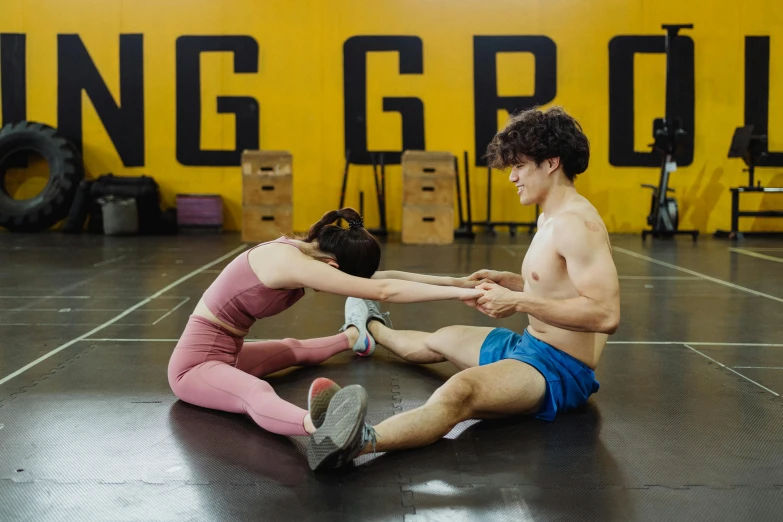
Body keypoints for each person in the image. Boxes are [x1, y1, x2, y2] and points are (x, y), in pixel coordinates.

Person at [307, 106, 621, 470]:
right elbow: (562, 289)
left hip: (560, 371)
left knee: (460, 392)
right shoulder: (549, 216)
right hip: (531, 346)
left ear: (551, 163)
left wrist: (518, 301)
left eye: (519, 166)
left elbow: (605, 314)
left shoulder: (577, 224)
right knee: (441, 338)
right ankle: (367, 329)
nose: (512, 177)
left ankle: (357, 442)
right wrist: (515, 284)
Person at [166, 208, 482, 447]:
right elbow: (384, 291)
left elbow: (384, 278)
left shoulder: (306, 250)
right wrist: (462, 296)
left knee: (292, 348)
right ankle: (322, 427)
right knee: (255, 391)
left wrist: (458, 282)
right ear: (333, 266)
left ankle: (354, 336)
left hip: (228, 353)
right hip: (193, 367)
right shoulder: (288, 263)